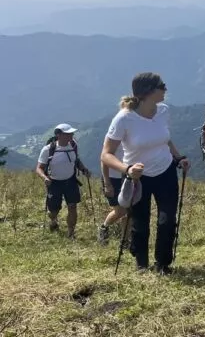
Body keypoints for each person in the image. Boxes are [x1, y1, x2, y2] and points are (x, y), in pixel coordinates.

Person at [101, 72, 190, 274]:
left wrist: (178, 157)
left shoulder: (163, 111)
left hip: (166, 171)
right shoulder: (124, 119)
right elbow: (106, 154)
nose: (165, 89)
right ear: (148, 92)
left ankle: (163, 264)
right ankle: (141, 264)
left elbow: (164, 139)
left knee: (167, 219)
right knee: (140, 222)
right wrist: (127, 170)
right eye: (161, 86)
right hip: (137, 178)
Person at [35, 123, 91, 239]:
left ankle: (71, 234)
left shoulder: (74, 146)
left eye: (71, 133)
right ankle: (53, 221)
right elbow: (39, 168)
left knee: (72, 206)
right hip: (53, 182)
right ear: (58, 135)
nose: (71, 135)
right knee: (53, 210)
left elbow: (76, 161)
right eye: (68, 134)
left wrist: (84, 169)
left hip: (70, 181)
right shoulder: (48, 149)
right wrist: (45, 177)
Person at [97, 140, 127, 246]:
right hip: (112, 178)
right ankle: (104, 227)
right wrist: (107, 183)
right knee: (120, 211)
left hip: (128, 177)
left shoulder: (133, 137)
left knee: (129, 211)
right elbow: (104, 160)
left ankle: (125, 241)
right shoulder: (113, 139)